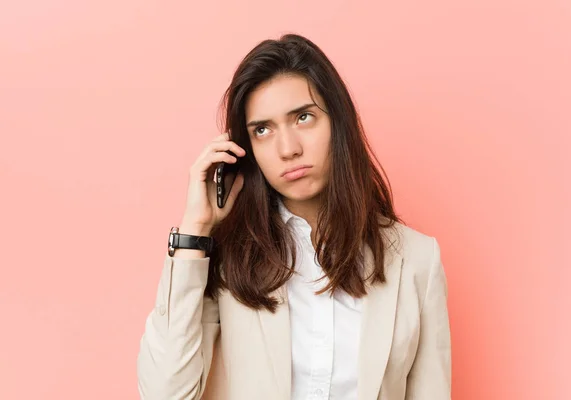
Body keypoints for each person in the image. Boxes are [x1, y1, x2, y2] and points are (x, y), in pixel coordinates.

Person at [137, 33, 451, 400]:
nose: (288, 149)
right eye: (263, 130)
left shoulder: (416, 260)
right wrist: (195, 231)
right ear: (246, 148)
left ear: (339, 123)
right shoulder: (225, 258)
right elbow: (164, 393)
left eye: (304, 117)